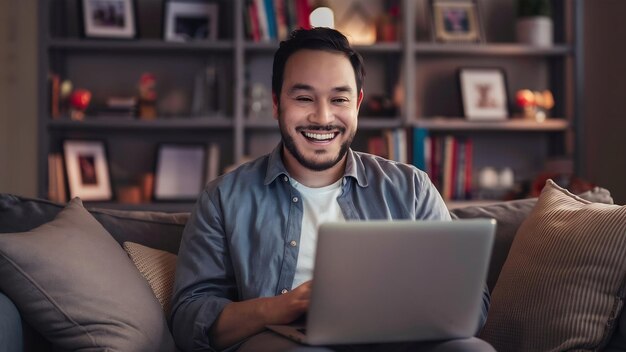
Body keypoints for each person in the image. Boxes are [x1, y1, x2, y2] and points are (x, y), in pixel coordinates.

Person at [170, 27, 493, 352]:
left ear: (358, 104)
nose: (323, 117)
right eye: (303, 98)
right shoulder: (224, 198)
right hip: (284, 343)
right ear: (275, 103)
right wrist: (279, 308)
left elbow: (471, 301)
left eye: (339, 99)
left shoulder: (411, 189)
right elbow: (189, 318)